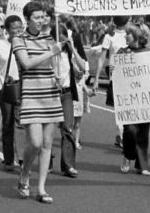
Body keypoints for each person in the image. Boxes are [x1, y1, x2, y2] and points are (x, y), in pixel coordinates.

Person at [12, 2, 66, 204]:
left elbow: (53, 63)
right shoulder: (19, 39)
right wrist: (51, 52)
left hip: (50, 93)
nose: (41, 21)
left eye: (43, 17)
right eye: (37, 17)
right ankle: (25, 174)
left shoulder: (49, 37)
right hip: (31, 93)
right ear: (27, 19)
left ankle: (41, 187)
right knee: (34, 142)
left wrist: (58, 76)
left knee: (46, 144)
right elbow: (26, 63)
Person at [118, 24, 150, 176]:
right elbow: (114, 72)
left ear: (137, 36)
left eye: (128, 34)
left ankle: (142, 165)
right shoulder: (122, 51)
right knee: (130, 130)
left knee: (143, 132)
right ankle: (127, 155)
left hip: (145, 99)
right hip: (129, 99)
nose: (125, 36)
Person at [54, 14, 86, 178]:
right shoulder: (50, 53)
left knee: (68, 128)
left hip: (66, 93)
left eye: (65, 38)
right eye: (60, 39)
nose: (63, 41)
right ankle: (48, 160)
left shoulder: (68, 53)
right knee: (48, 131)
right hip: (50, 94)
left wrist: (72, 47)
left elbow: (83, 67)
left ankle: (68, 165)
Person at [92, 16, 129, 148]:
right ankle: (123, 136)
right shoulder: (109, 37)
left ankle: (123, 135)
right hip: (117, 76)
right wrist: (96, 79)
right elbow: (102, 58)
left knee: (129, 109)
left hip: (132, 76)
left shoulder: (131, 35)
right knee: (120, 109)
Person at [0, 14, 23, 171]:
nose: (18, 31)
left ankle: (23, 158)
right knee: (8, 123)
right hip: (5, 88)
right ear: (7, 30)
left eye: (20, 27)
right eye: (14, 28)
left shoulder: (26, 45)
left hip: (23, 87)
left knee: (23, 124)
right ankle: (9, 159)